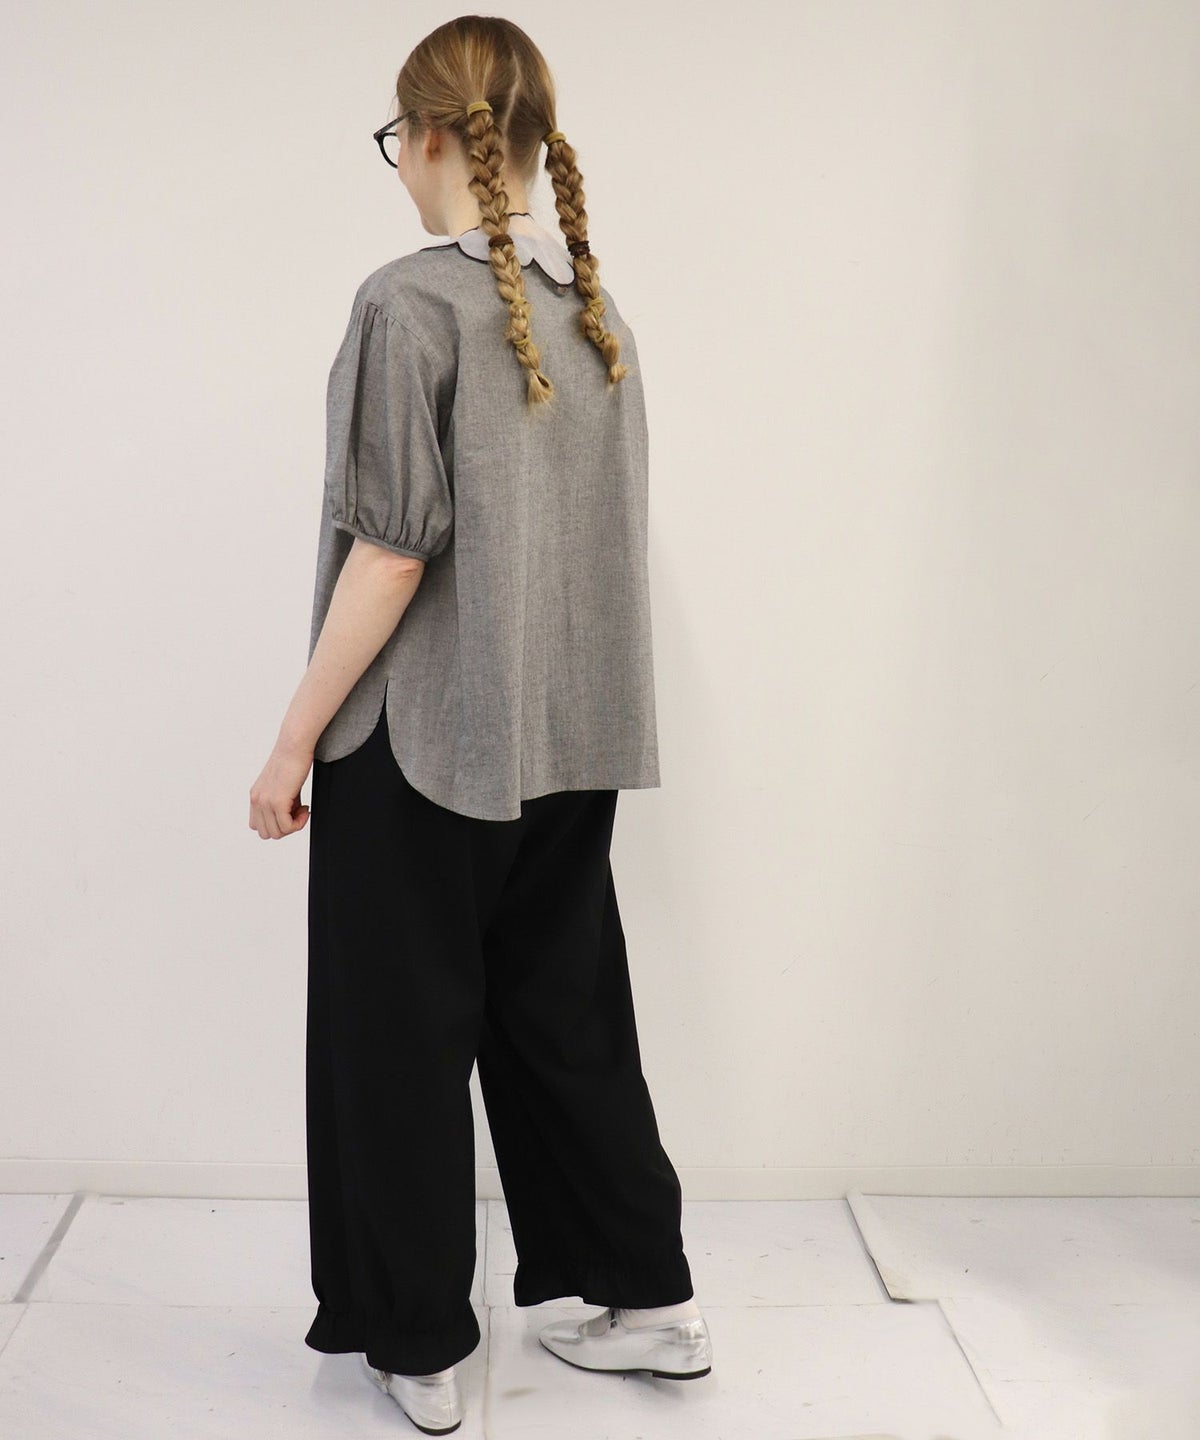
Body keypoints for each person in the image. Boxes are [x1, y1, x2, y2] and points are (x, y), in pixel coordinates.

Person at [248, 16, 712, 1434]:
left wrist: (290, 742)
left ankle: (420, 1343)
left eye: (401, 139)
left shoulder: (407, 306)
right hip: (564, 741)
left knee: (393, 1039)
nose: (400, 165)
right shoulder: (596, 313)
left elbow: (391, 553)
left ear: (439, 136)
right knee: (564, 1017)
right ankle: (650, 1300)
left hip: (421, 742)